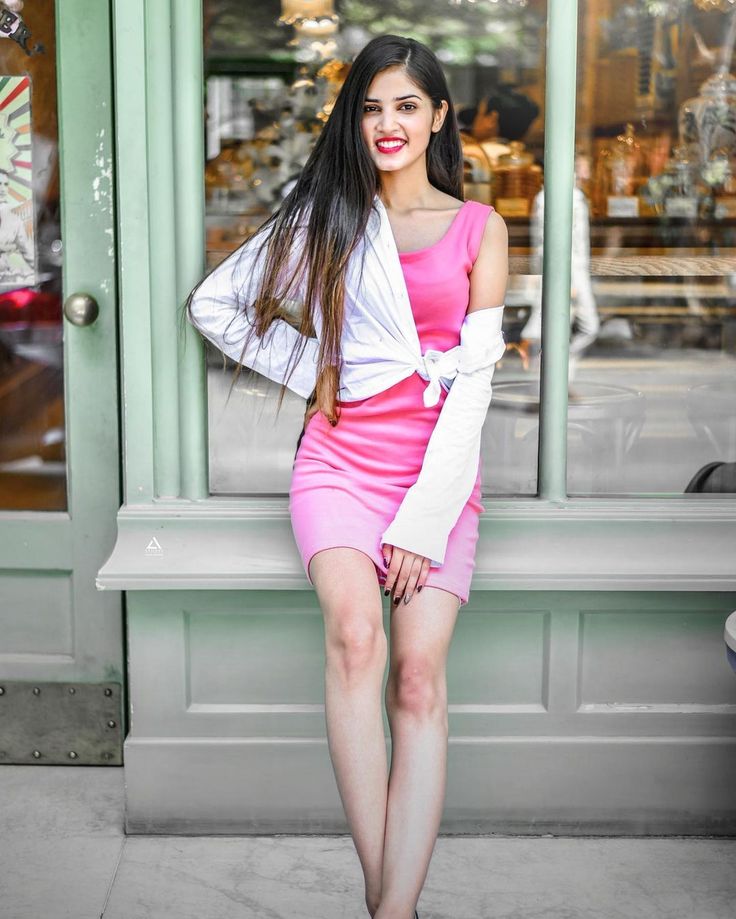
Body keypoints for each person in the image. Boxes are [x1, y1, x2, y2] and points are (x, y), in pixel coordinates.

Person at [185, 34, 508, 919]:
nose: (387, 123)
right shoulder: (329, 213)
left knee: (417, 678)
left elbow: (473, 390)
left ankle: (385, 903)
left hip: (437, 475)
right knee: (358, 639)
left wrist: (423, 519)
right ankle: (392, 906)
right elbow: (214, 304)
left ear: (439, 116)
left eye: (407, 105)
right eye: (371, 106)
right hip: (340, 461)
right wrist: (319, 368)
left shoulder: (481, 227)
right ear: (353, 119)